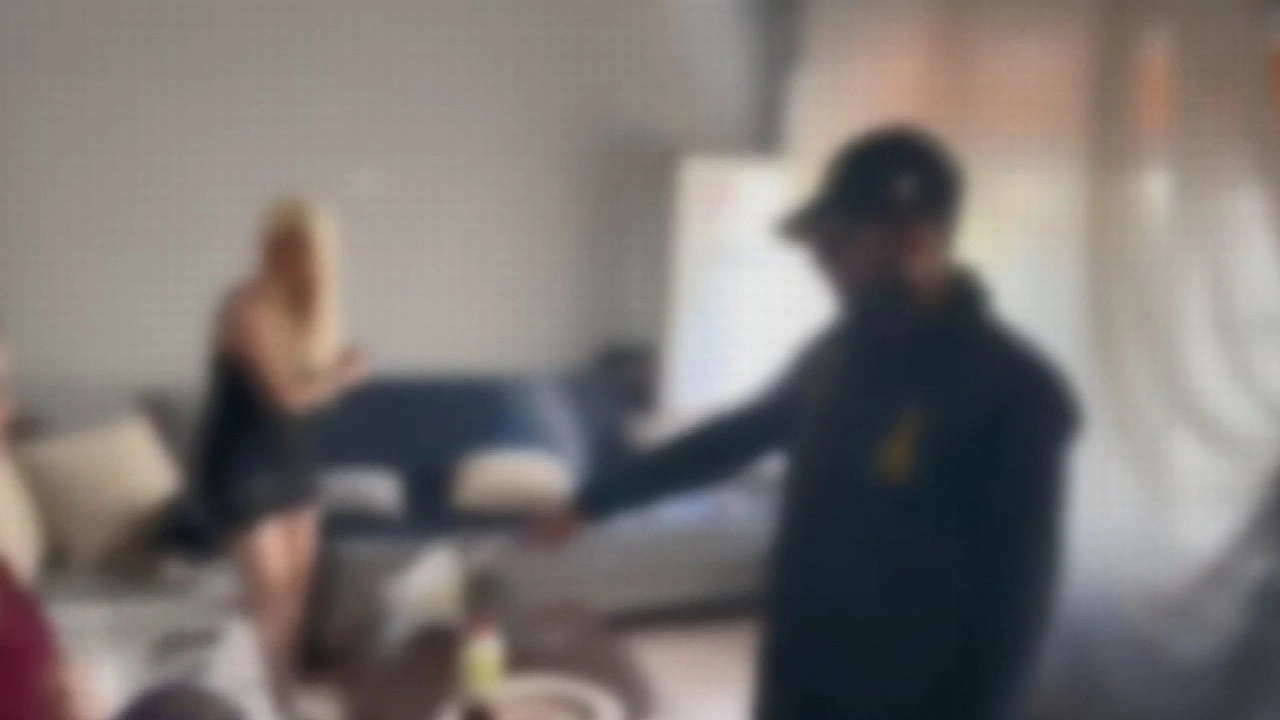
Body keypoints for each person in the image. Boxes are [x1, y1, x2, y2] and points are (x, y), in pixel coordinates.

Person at [532, 127, 1078, 720]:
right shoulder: (837, 355)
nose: (819, 262)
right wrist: (593, 501)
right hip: (800, 675)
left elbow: (1013, 614)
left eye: (838, 243)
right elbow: (737, 436)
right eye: (818, 243)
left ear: (913, 241)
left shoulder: (1012, 392)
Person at [193, 197, 366, 715]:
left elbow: (304, 401)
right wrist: (341, 376)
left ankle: (281, 692)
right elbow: (285, 399)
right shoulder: (245, 304)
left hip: (292, 460)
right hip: (241, 464)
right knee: (270, 593)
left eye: (305, 248)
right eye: (285, 245)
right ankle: (270, 700)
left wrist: (329, 373)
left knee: (297, 593)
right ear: (269, 247)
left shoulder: (308, 312)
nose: (295, 257)